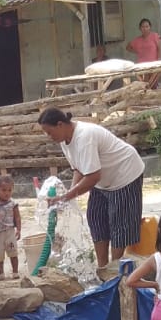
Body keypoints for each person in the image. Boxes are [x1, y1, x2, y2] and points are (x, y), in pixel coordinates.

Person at [36, 106, 147, 276]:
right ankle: (102, 268)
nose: (48, 137)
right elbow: (79, 169)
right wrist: (70, 194)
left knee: (119, 224)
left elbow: (93, 176)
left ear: (60, 124)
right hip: (102, 180)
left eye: (49, 132)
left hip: (125, 173)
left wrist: (66, 196)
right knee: (96, 218)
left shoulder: (85, 136)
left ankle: (115, 271)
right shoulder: (65, 140)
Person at [0, 176, 22, 279]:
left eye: (9, 190)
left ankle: (15, 272)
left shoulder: (13, 204)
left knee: (13, 252)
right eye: (3, 190)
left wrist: (18, 229)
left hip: (9, 232)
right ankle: (1, 273)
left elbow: (17, 217)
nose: (7, 193)